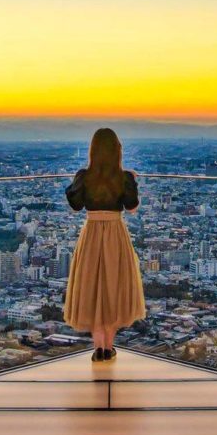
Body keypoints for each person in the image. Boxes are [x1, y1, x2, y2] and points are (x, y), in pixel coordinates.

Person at [63, 127, 146, 361]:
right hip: (114, 232)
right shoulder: (124, 178)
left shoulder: (84, 176)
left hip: (91, 232)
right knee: (113, 287)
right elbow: (131, 207)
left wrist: (79, 181)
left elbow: (75, 205)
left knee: (92, 286)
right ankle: (108, 347)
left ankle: (98, 347)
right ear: (116, 152)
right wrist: (130, 181)